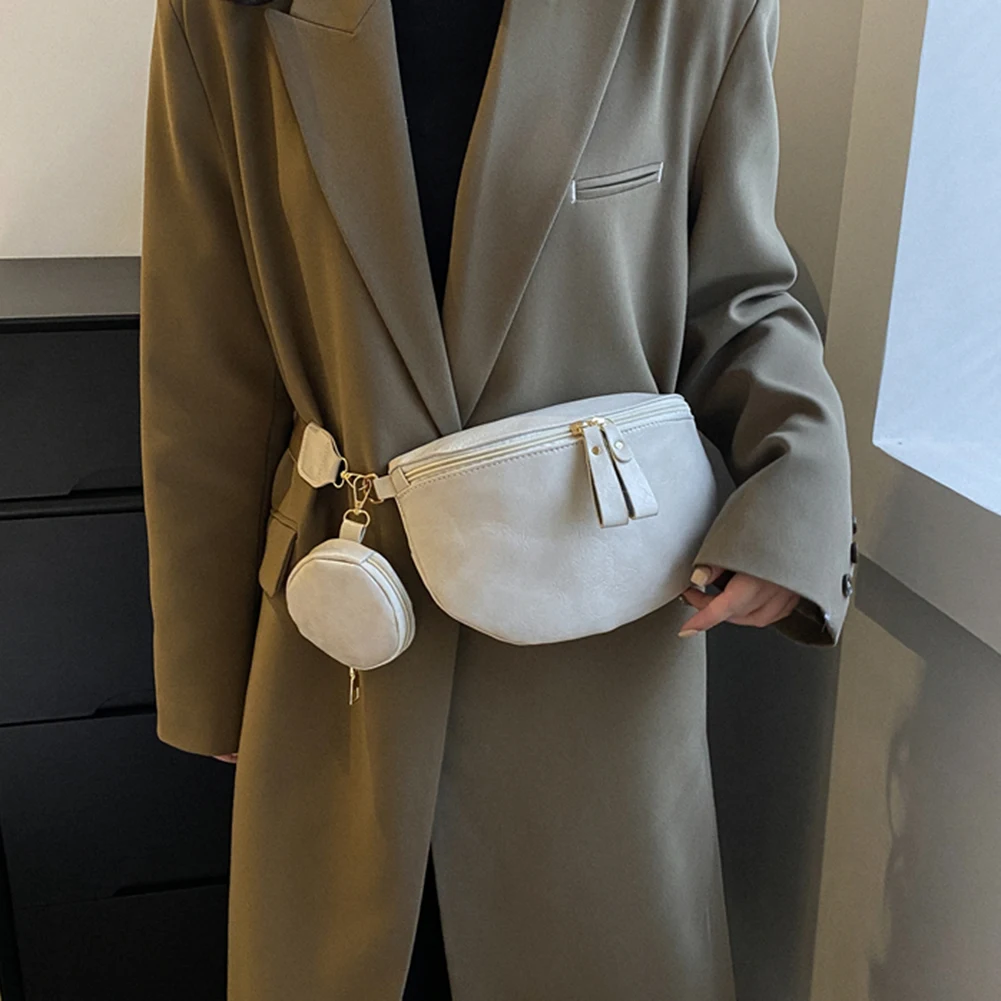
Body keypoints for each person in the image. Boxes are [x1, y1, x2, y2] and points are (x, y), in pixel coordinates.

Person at [139, 0, 857, 998]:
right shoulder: (226, 16)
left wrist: (795, 494)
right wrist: (209, 671)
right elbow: (207, 354)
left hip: (594, 640)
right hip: (344, 628)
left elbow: (735, 293)